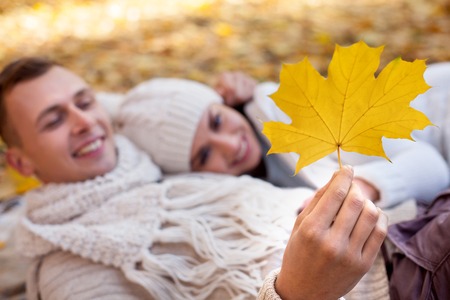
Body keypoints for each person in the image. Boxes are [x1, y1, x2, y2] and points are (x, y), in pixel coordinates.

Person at [0, 57, 389, 300]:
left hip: (390, 229)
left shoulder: (137, 151)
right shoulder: (73, 272)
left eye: (84, 101)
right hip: (384, 279)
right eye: (54, 120)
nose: (85, 122)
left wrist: (236, 100)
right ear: (19, 163)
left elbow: (154, 107)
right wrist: (295, 294)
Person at [116, 70, 450, 209]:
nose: (230, 145)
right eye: (204, 155)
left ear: (223, 101)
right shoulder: (244, 187)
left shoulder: (295, 112)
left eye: (217, 121)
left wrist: (362, 190)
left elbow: (431, 167)